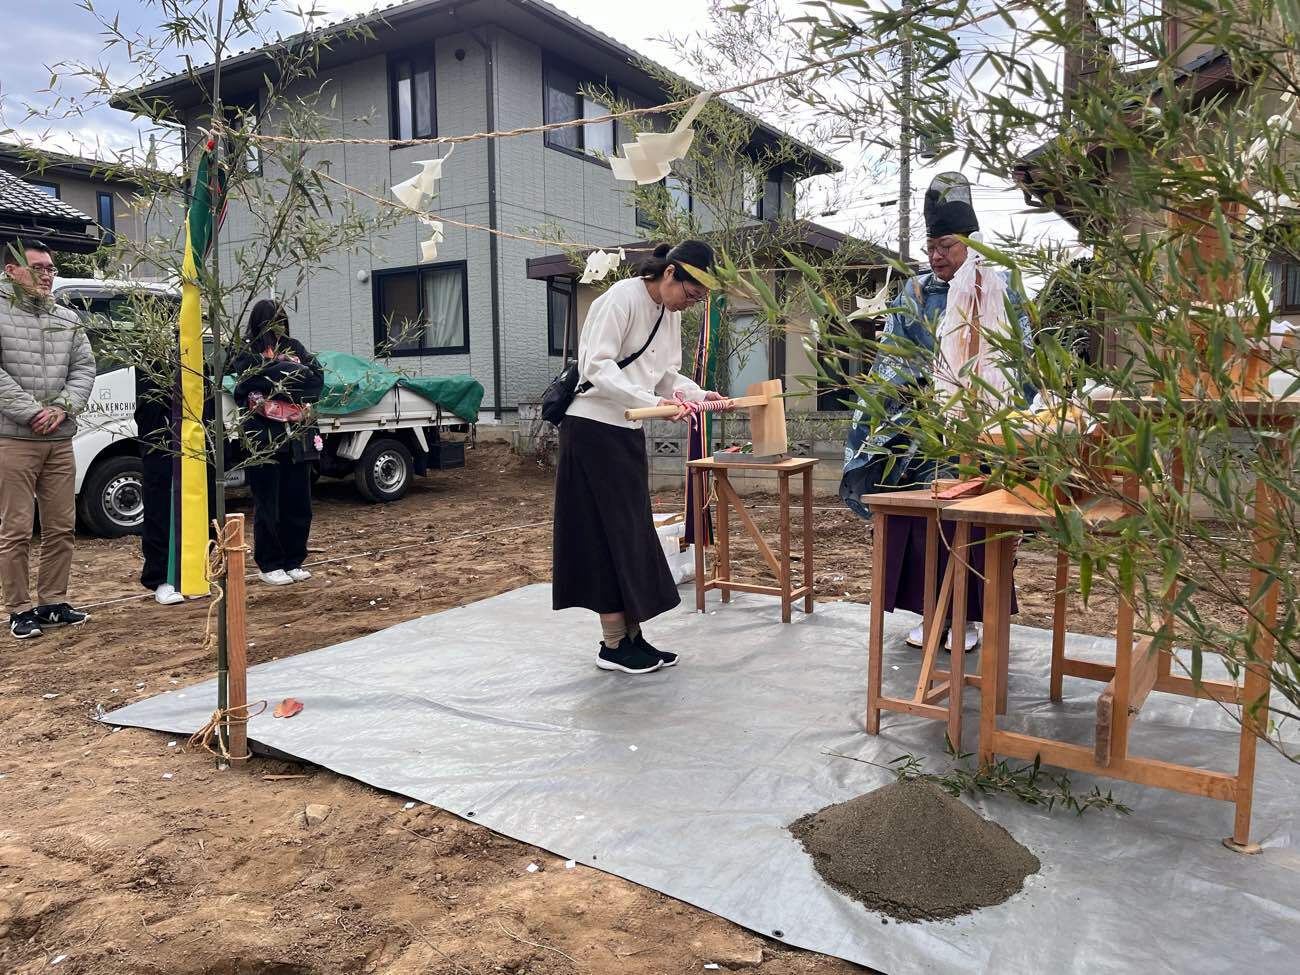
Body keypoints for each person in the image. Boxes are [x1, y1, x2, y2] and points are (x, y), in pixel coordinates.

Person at [841, 176, 1036, 653]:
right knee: (919, 526)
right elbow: (893, 356)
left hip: (985, 429)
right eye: (930, 247)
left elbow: (1022, 357)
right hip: (921, 430)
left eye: (945, 245)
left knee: (973, 523)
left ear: (970, 242)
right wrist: (909, 398)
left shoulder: (1002, 284)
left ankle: (967, 619)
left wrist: (998, 408)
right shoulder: (916, 290)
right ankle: (930, 614)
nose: (936, 256)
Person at [553, 240, 729, 675]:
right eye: (690, 295)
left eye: (698, 300)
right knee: (602, 534)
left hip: (627, 429)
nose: (689, 305)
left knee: (629, 534)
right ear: (670, 274)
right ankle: (613, 643)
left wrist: (697, 394)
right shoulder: (620, 298)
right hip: (592, 429)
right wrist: (649, 399)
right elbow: (598, 366)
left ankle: (632, 638)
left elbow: (666, 375)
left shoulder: (666, 314)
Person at [0, 240, 96, 639]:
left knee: (61, 526)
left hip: (59, 437)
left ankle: (53, 601)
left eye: (50, 268)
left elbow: (84, 369)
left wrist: (61, 407)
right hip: (13, 437)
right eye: (38, 268)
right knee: (17, 529)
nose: (46, 274)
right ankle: (19, 608)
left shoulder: (67, 318)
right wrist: (31, 411)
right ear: (11, 271)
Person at [229, 299, 324, 586]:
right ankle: (269, 563)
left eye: (281, 320)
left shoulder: (294, 347)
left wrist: (272, 374)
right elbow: (244, 385)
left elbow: (315, 380)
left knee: (299, 502)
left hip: (297, 437)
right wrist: (286, 372)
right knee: (268, 503)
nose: (278, 326)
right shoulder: (246, 350)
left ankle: (294, 560)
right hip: (264, 438)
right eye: (272, 321)